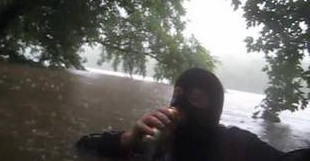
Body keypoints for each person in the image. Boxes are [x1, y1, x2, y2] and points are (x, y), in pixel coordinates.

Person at [76, 68, 284, 161]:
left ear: (214, 107)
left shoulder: (237, 143)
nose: (180, 104)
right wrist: (128, 139)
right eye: (177, 95)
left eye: (195, 98)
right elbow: (83, 144)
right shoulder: (154, 139)